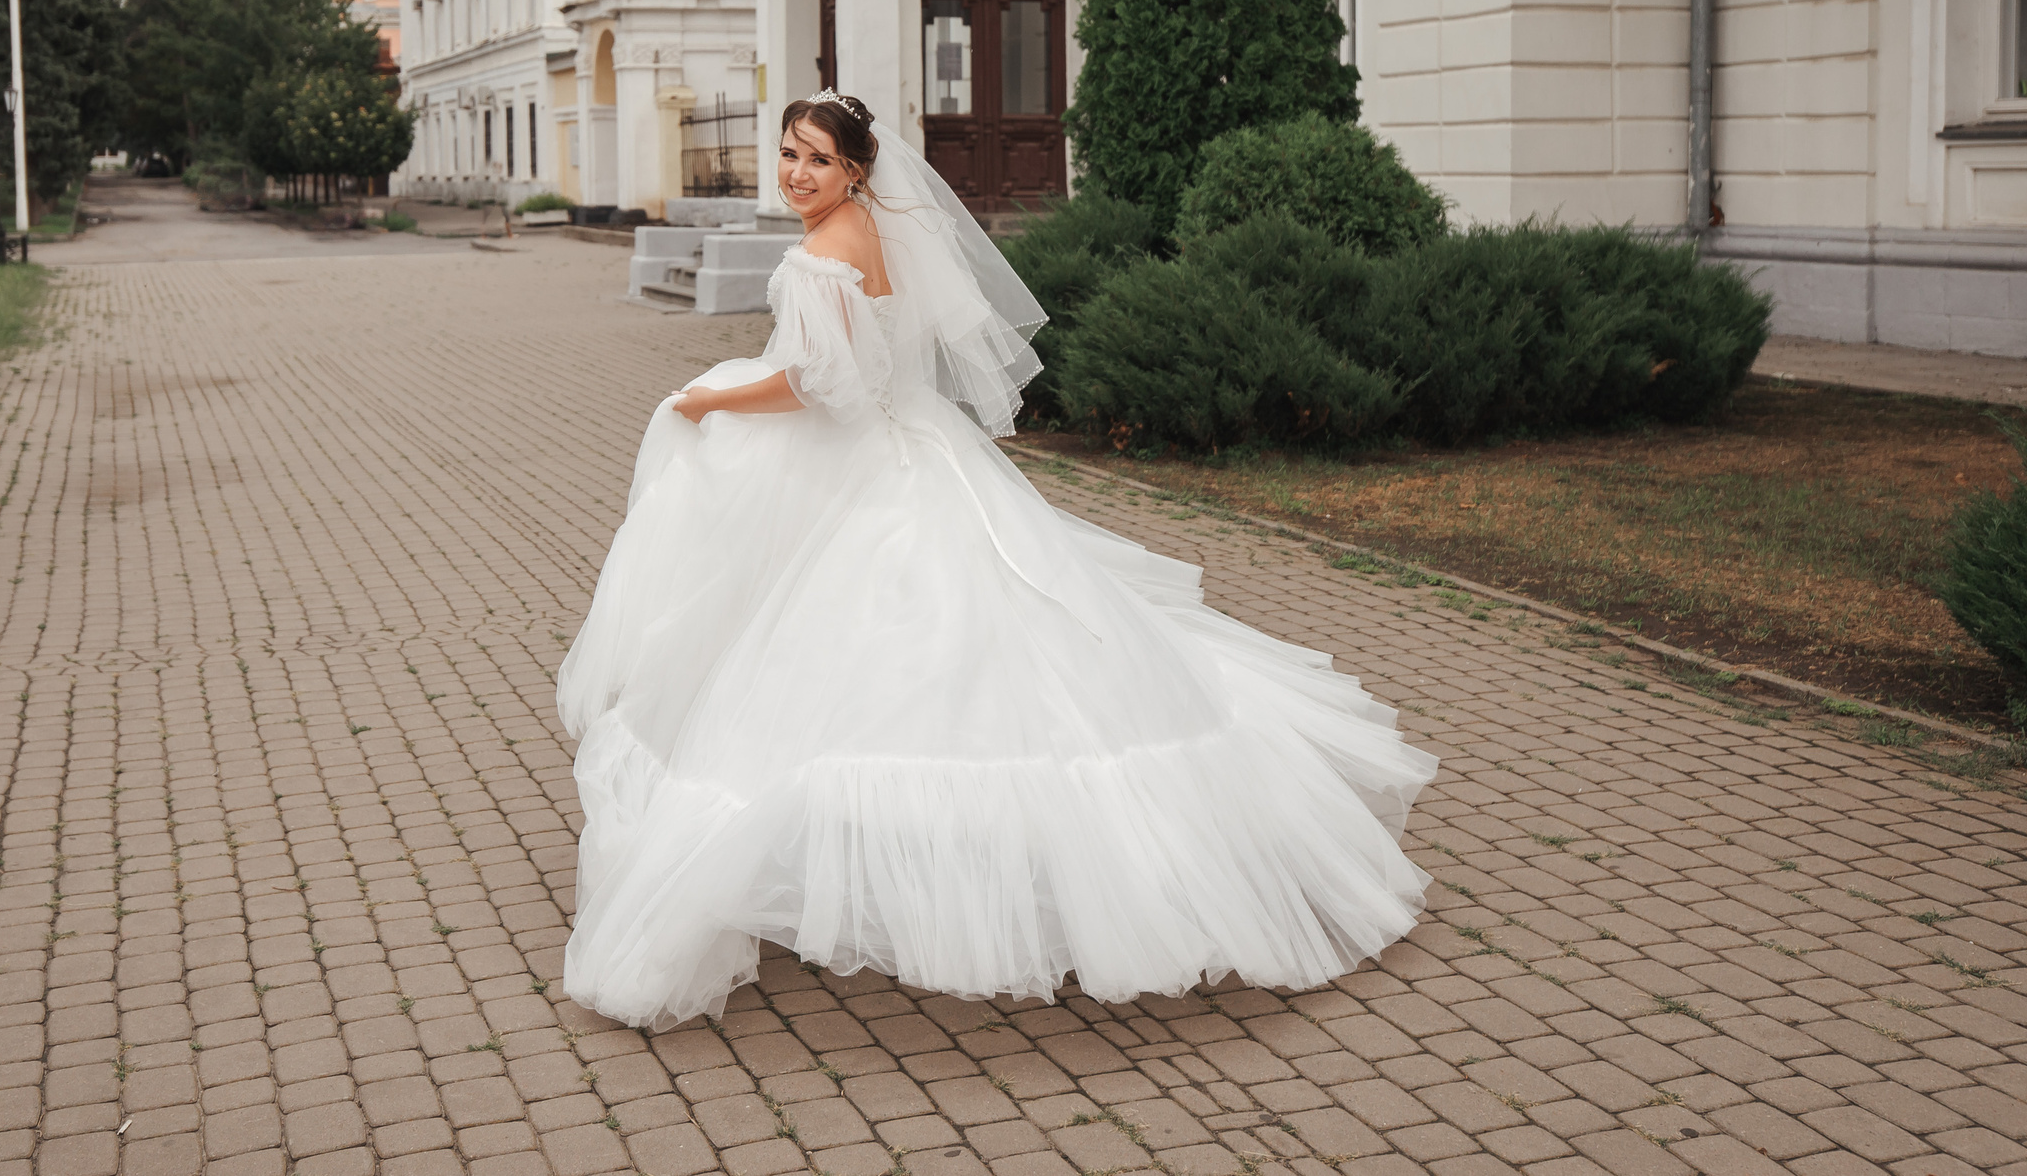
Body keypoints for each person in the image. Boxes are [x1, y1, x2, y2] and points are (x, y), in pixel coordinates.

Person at [556, 91, 1434, 1030]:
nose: (794, 173)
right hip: (911, 449)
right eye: (786, 154)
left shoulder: (826, 250)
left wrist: (710, 403)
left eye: (814, 158)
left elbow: (819, 386)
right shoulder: (872, 227)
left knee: (828, 665)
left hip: (857, 464)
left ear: (855, 167)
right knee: (948, 650)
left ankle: (848, 870)